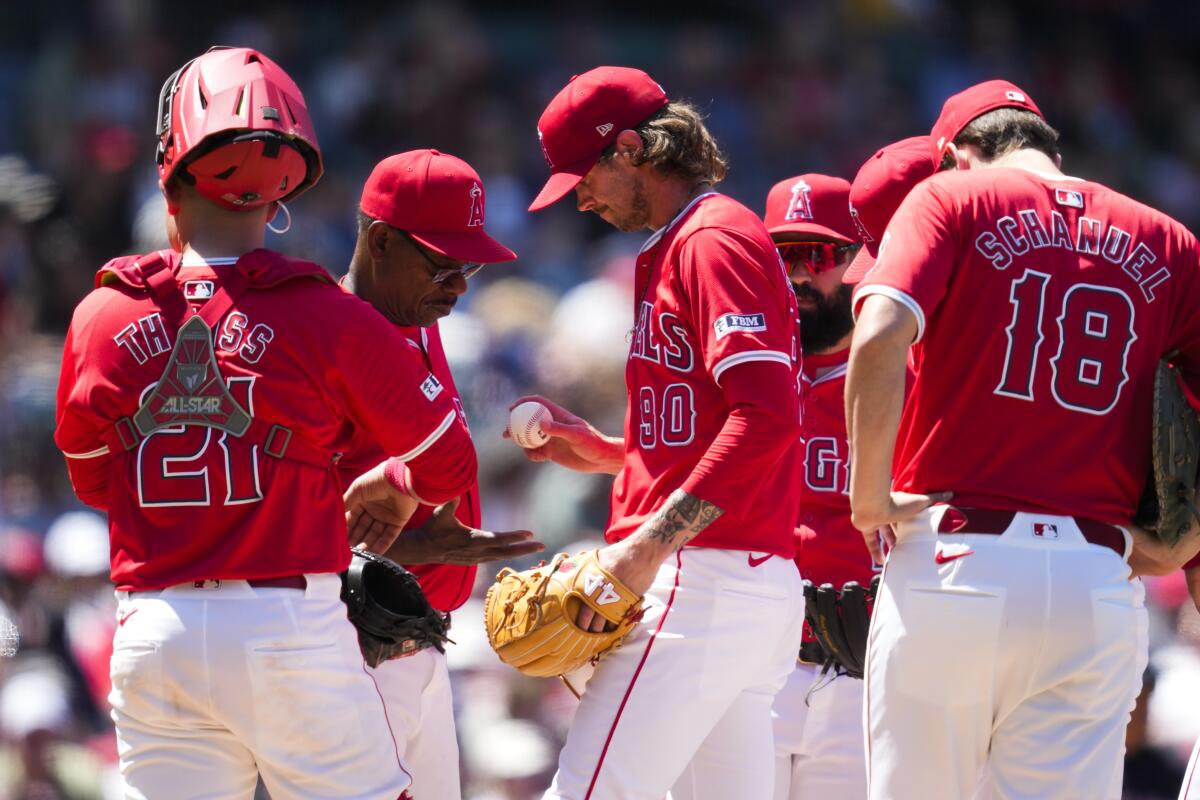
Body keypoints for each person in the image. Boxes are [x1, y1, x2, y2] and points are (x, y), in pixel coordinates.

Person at [54, 47, 476, 799]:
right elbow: (452, 468)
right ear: (289, 177)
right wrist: (396, 485)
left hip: (154, 629)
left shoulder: (100, 313)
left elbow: (93, 485)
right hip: (287, 627)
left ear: (170, 163)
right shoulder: (326, 314)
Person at [845, 79, 1200, 800]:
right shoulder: (1168, 237)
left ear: (953, 153)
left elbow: (880, 332)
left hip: (958, 562)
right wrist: (1186, 538)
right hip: (1096, 581)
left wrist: (869, 498)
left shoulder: (948, 198)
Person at [516, 65, 805, 800]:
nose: (577, 196)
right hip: (734, 582)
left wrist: (649, 546)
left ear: (634, 149)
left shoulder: (712, 240)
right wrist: (615, 454)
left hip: (701, 578)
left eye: (586, 174)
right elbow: (720, 425)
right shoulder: (687, 240)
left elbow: (767, 418)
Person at [337, 148, 543, 800]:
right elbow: (297, 525)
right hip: (354, 651)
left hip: (419, 644)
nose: (460, 286)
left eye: (470, 267)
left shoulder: (413, 316)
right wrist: (424, 547)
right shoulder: (330, 342)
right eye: (444, 265)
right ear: (381, 241)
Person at [765, 151, 935, 800]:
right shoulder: (749, 372)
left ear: (861, 260)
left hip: (863, 674)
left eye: (817, 255)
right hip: (758, 667)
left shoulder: (910, 378)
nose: (798, 276)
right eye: (782, 256)